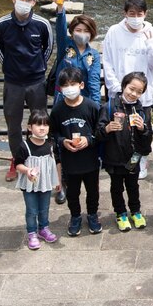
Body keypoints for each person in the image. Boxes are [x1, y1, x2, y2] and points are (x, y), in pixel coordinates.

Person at [0, 0, 53, 182]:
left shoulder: (41, 24)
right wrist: (11, 67)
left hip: (36, 82)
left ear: (34, 2)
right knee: (13, 125)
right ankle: (16, 159)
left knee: (41, 122)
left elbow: (48, 48)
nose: (24, 2)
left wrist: (38, 67)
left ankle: (41, 156)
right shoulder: (1, 24)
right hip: (13, 82)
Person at [101, 0, 153, 179]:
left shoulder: (151, 32)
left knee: (142, 129)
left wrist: (151, 44)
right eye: (132, 13)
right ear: (125, 13)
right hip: (121, 93)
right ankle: (119, 159)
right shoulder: (114, 32)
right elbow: (107, 62)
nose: (136, 17)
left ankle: (141, 159)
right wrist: (117, 88)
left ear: (145, 14)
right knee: (120, 128)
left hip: (142, 95)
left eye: (139, 14)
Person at [49, 68, 102, 237]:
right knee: (73, 192)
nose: (69, 88)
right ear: (60, 88)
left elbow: (99, 131)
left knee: (93, 191)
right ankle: (75, 217)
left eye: (73, 84)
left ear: (81, 85)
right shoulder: (57, 110)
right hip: (69, 161)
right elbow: (54, 133)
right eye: (65, 85)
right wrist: (63, 141)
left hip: (90, 160)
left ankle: (92, 215)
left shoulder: (92, 107)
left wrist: (89, 139)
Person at [98, 72, 153, 231]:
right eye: (131, 89)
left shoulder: (141, 110)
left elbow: (146, 138)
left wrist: (143, 129)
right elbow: (98, 133)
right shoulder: (109, 106)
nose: (134, 94)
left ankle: (135, 211)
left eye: (139, 91)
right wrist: (107, 128)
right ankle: (120, 213)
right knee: (116, 187)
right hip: (113, 157)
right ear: (123, 86)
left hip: (133, 157)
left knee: (132, 185)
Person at [13, 109, 62, 250]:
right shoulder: (25, 146)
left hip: (45, 183)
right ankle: (32, 232)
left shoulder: (51, 145)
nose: (42, 128)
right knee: (31, 209)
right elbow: (17, 164)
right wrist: (27, 170)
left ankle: (43, 228)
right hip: (30, 184)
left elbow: (57, 162)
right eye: (38, 125)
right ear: (30, 127)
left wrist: (58, 180)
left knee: (44, 208)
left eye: (45, 125)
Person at [52, 0, 101, 106]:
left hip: (83, 100)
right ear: (72, 32)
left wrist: (96, 107)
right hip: (62, 97)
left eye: (86, 31)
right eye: (78, 30)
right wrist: (60, 7)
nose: (82, 34)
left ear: (91, 34)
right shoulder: (65, 44)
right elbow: (60, 28)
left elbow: (94, 82)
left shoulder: (94, 55)